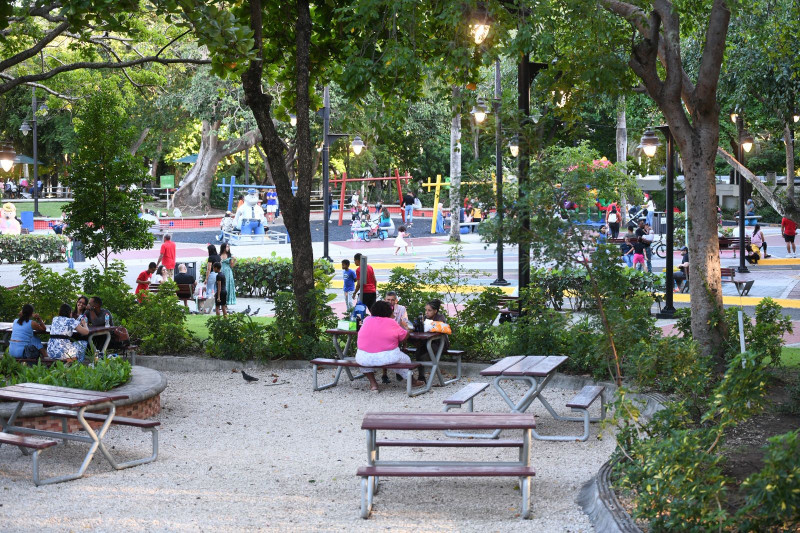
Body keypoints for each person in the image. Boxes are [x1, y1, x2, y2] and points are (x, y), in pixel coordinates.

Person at [354, 300, 424, 392]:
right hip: (387, 357)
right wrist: (408, 331)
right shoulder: (391, 322)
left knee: (365, 361)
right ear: (387, 312)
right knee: (405, 359)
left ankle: (373, 384)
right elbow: (403, 337)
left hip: (363, 357)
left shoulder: (367, 320)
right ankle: (412, 381)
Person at [412, 299, 450, 383]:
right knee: (418, 351)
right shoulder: (424, 318)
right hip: (427, 343)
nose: (426, 312)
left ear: (435, 311)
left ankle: (422, 376)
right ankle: (421, 376)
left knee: (423, 353)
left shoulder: (440, 318)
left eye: (429, 310)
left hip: (439, 344)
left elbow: (438, 329)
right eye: (426, 310)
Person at [219, 242, 237, 306]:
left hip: (228, 272)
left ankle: (226, 302)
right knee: (221, 286)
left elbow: (231, 266)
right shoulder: (219, 255)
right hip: (221, 271)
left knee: (228, 286)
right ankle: (221, 301)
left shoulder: (229, 255)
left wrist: (234, 260)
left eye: (228, 247)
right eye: (227, 247)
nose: (228, 248)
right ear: (223, 248)